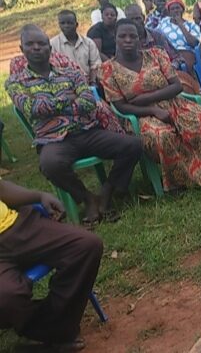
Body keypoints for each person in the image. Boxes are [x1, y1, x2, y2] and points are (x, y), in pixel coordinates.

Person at [6, 25, 143, 225]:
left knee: (133, 145)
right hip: (53, 140)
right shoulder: (15, 82)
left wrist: (53, 104)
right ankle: (87, 198)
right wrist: (67, 98)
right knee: (50, 165)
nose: (37, 48)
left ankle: (107, 191)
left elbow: (88, 102)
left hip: (87, 130)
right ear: (22, 49)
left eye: (42, 44)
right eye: (30, 44)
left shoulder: (70, 72)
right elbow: (32, 108)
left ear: (50, 48)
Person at [100, 19, 201, 192]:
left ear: (140, 38)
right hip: (141, 116)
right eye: (122, 36)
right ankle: (181, 182)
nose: (128, 40)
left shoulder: (156, 54)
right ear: (115, 38)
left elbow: (177, 86)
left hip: (175, 104)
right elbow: (121, 106)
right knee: (163, 136)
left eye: (133, 36)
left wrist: (145, 97)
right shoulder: (107, 69)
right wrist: (152, 109)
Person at [0, 180, 104, 351]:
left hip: (16, 225)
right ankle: (55, 332)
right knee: (7, 298)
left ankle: (54, 327)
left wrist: (38, 195)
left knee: (86, 246)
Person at [126, 4, 201, 95]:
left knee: (185, 86)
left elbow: (177, 57)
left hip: (165, 74)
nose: (135, 22)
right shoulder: (125, 43)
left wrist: (169, 69)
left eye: (137, 18)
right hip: (141, 82)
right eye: (131, 20)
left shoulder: (157, 36)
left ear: (143, 17)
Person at [50, 9, 102, 84]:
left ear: (76, 24)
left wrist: (92, 82)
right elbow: (52, 69)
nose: (66, 26)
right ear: (59, 25)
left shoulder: (88, 43)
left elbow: (96, 65)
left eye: (70, 23)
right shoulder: (52, 44)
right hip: (64, 86)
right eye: (62, 23)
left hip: (88, 83)